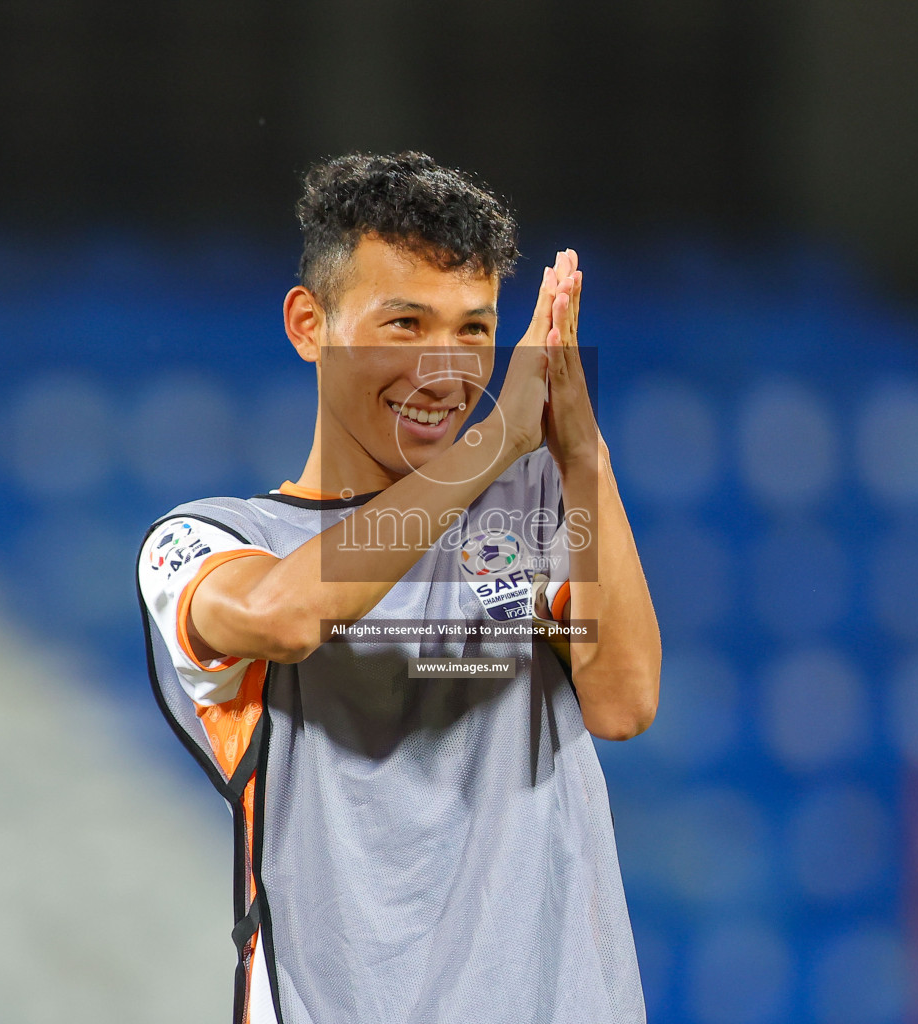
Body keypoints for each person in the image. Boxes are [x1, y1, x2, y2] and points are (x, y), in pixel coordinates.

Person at [137, 151, 661, 1024]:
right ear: (310, 324)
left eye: (473, 329)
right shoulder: (209, 540)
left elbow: (624, 701)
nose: (444, 369)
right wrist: (493, 444)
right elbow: (286, 614)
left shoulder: (522, 521)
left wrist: (582, 455)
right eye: (405, 324)